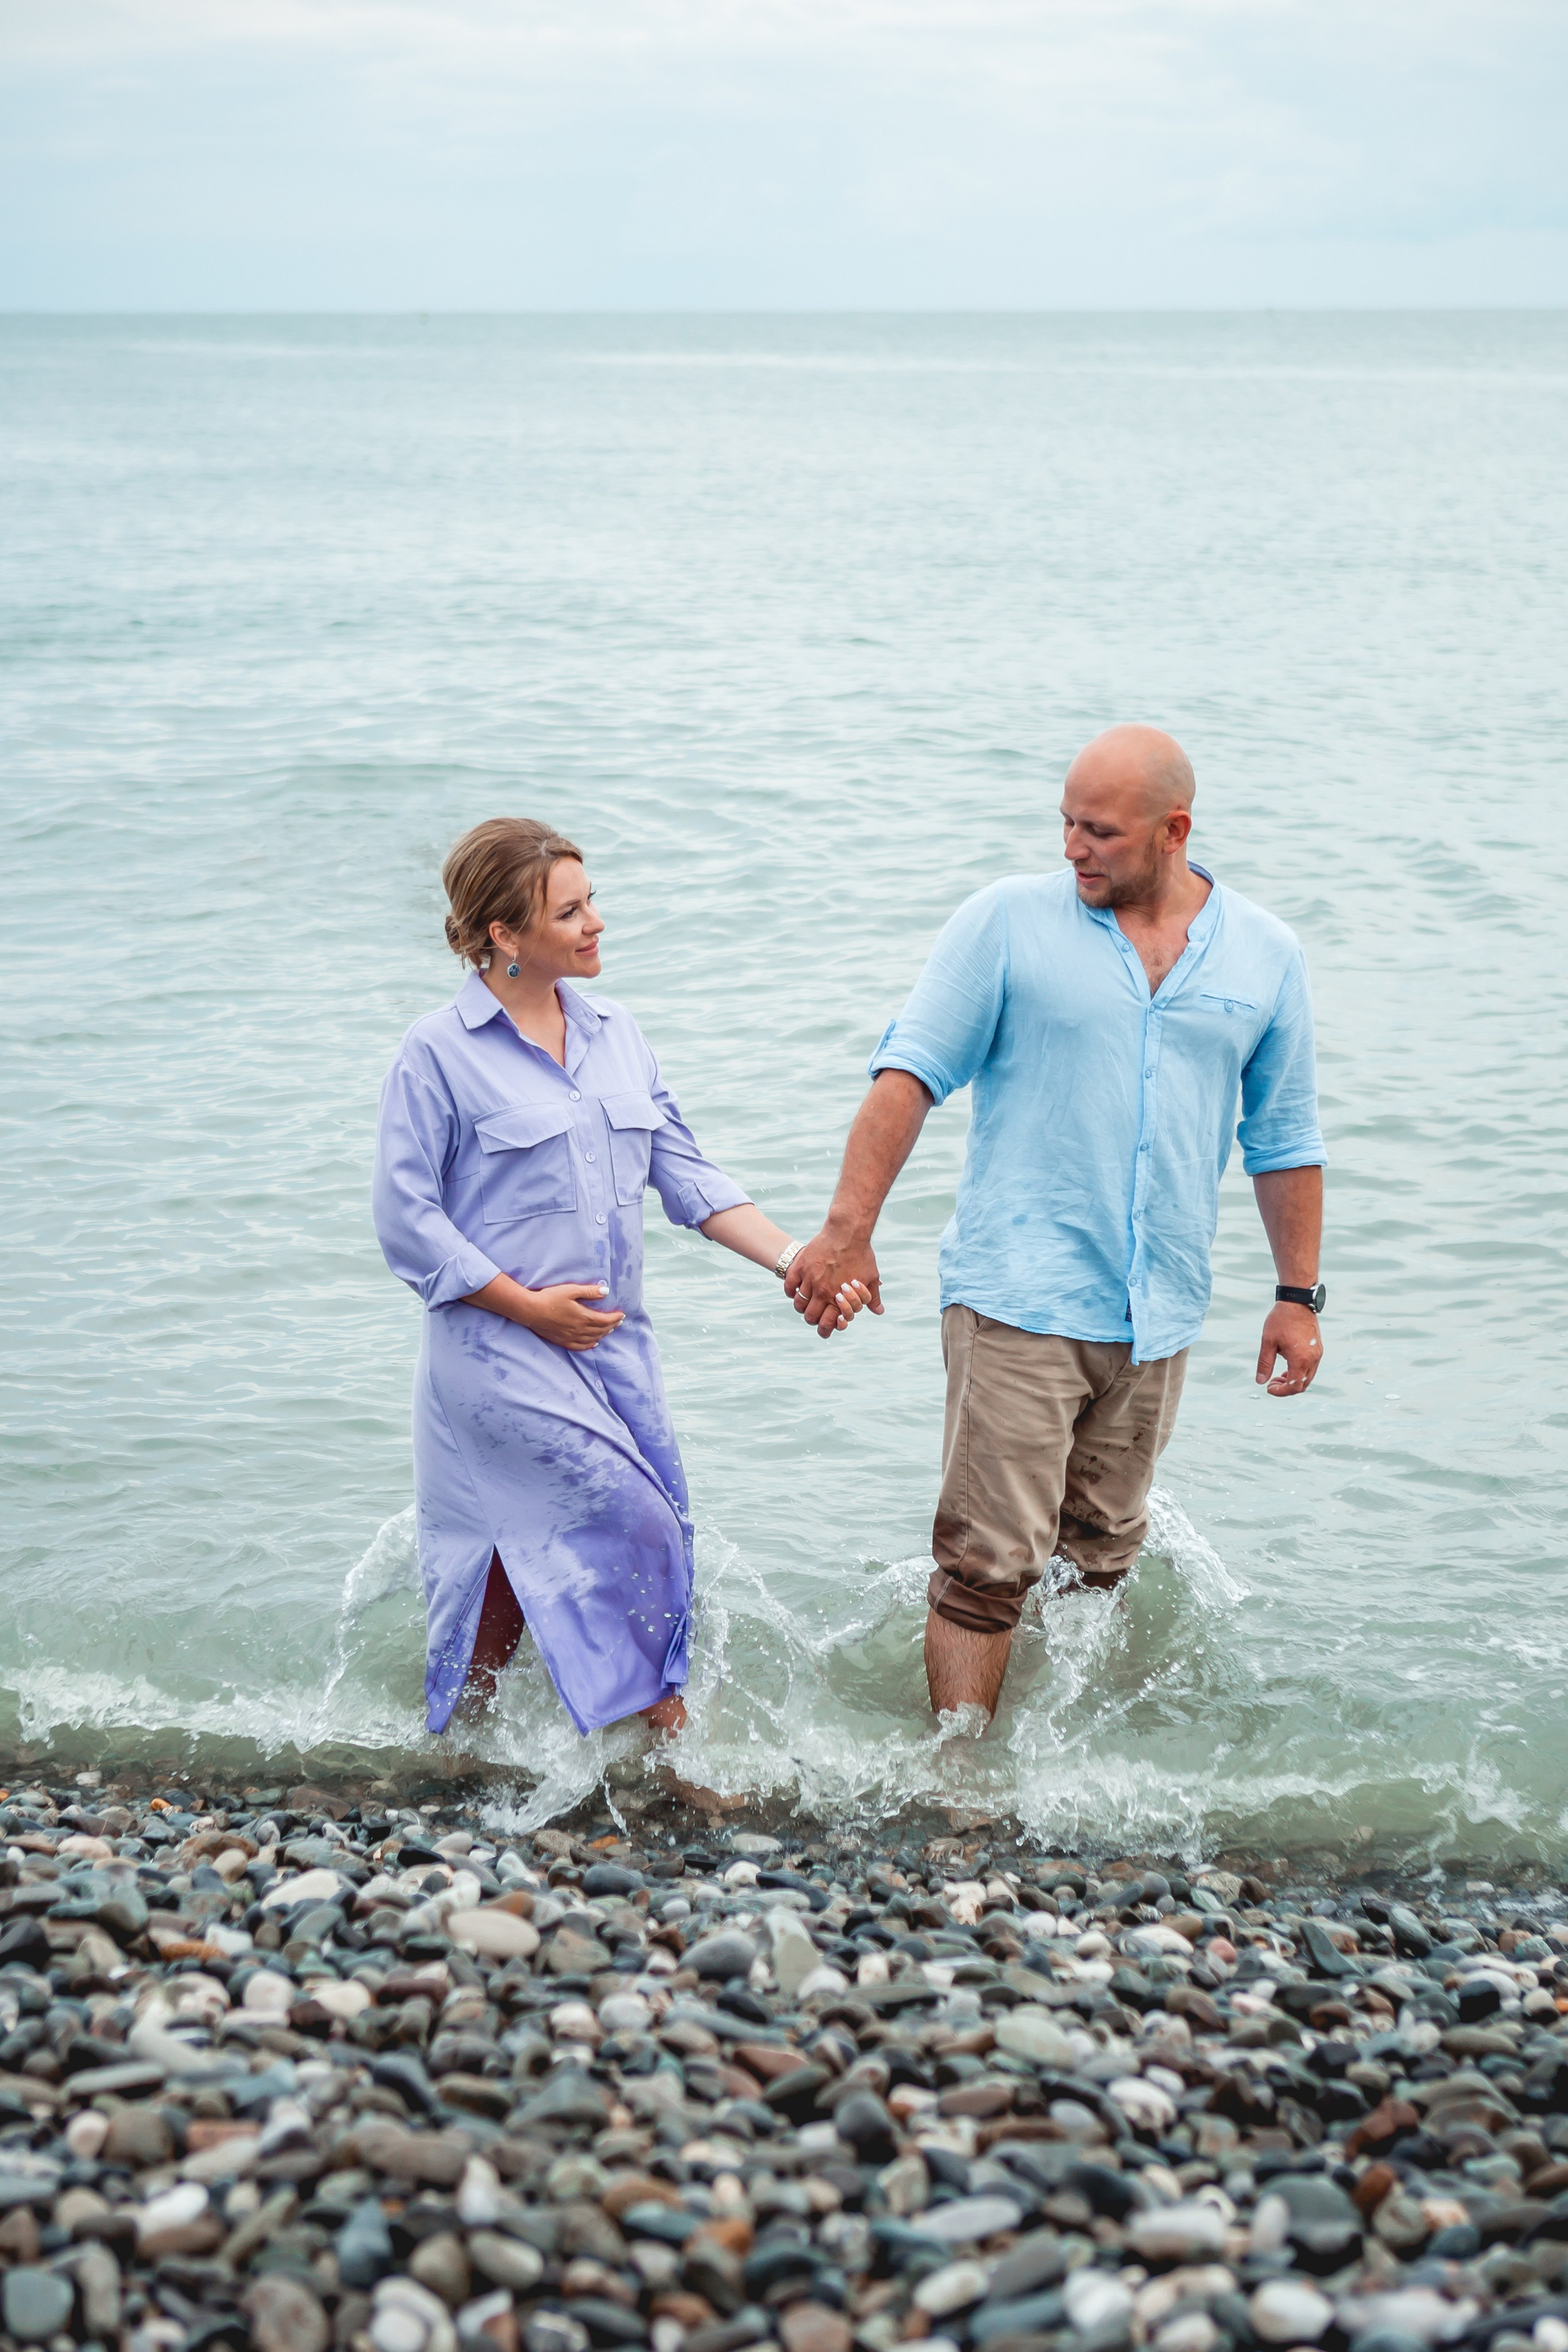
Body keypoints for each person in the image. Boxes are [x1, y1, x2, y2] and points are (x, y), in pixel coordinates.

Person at [786, 724, 1327, 1721]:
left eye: (1100, 832)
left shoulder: (1266, 953)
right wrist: (847, 1230)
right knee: (986, 1567)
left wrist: (1297, 1296)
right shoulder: (1004, 923)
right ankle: (961, 1783)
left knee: (1099, 1565)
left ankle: (1059, 1769)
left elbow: (1284, 1139)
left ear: (1175, 831)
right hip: (1018, 1299)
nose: (1073, 847)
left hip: (1158, 1311)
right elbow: (909, 1077)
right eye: (1066, 824)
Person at [373, 816, 869, 1740]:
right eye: (571, 910)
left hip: (614, 1347)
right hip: (497, 1350)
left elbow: (686, 1176)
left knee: (510, 1562)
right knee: (632, 1521)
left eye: (591, 899)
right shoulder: (434, 1053)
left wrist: (797, 1258)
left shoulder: (618, 1034)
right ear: (504, 936)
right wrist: (526, 1307)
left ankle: (458, 1748)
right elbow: (406, 1222)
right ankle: (664, 1745)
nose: (597, 921)